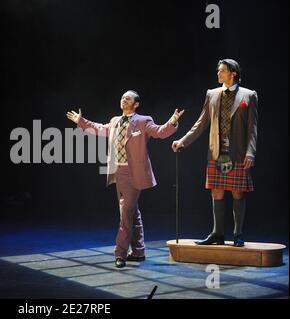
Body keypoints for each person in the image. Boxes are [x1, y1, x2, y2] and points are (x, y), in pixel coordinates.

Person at [67, 90, 184, 268]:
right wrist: (81, 122)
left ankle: (120, 254)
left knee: (125, 213)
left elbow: (159, 131)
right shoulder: (115, 121)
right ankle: (138, 251)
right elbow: (100, 128)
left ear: (136, 104)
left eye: (128, 98)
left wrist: (172, 122)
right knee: (131, 211)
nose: (123, 100)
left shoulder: (143, 121)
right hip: (119, 172)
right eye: (122, 97)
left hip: (134, 172)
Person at [172, 59, 258, 247]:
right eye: (218, 71)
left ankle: (238, 234)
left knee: (237, 192)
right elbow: (201, 122)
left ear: (233, 73)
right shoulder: (212, 94)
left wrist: (250, 153)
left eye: (222, 71)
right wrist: (182, 141)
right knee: (216, 191)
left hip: (239, 153)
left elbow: (252, 128)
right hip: (216, 152)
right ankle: (217, 233)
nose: (218, 73)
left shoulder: (249, 95)